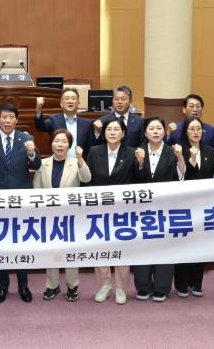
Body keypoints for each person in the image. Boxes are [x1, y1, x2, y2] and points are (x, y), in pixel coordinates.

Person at [0, 103, 41, 303]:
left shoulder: (26, 139)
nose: (7, 121)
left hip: (21, 201)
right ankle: (2, 286)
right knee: (2, 244)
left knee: (21, 244)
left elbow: (37, 164)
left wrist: (31, 153)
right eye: (3, 117)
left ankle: (23, 286)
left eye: (11, 117)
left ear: (16, 120)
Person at [84, 116, 143, 305]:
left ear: (123, 133)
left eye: (116, 129)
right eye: (109, 129)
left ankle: (121, 288)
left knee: (121, 248)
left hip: (123, 210)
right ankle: (104, 285)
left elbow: (139, 179)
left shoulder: (132, 152)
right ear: (104, 133)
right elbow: (88, 180)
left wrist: (141, 163)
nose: (112, 133)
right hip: (99, 209)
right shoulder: (94, 151)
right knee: (100, 248)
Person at [33, 130, 91, 302]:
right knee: (51, 251)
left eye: (64, 141)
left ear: (69, 145)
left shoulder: (75, 162)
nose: (60, 145)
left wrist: (80, 159)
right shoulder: (43, 164)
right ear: (51, 143)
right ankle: (52, 285)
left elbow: (87, 178)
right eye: (57, 141)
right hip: (48, 216)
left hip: (70, 217)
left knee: (70, 251)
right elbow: (36, 189)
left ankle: (72, 286)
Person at [133, 117, 185, 302]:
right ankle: (143, 286)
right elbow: (135, 179)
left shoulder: (173, 151)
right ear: (145, 133)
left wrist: (180, 158)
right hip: (143, 209)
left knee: (164, 247)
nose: (155, 131)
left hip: (166, 208)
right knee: (142, 247)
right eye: (151, 128)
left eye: (159, 128)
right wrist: (140, 163)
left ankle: (162, 287)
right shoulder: (138, 152)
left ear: (165, 132)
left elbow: (181, 177)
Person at [174, 116, 214, 298]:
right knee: (183, 245)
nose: (196, 132)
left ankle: (196, 283)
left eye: (199, 129)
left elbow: (212, 175)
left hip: (203, 204)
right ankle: (181, 284)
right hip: (183, 204)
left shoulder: (209, 151)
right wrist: (190, 158)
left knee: (200, 245)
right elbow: (182, 176)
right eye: (192, 129)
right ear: (185, 131)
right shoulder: (178, 149)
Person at [35, 87, 93, 157]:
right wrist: (39, 108)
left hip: (80, 161)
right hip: (60, 160)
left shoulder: (87, 123)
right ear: (61, 104)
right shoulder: (54, 119)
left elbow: (91, 146)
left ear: (78, 103)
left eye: (73, 98)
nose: (70, 101)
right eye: (67, 98)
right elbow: (40, 126)